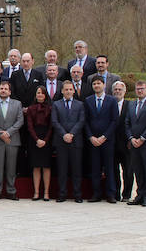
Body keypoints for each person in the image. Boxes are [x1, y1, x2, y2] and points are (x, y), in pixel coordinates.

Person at [0, 81, 24, 200]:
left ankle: (11, 191)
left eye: (5, 89)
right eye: (1, 88)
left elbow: (20, 121)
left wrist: (8, 132)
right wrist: (0, 133)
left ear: (10, 91)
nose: (3, 90)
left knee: (11, 167)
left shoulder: (17, 104)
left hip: (12, 139)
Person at [85, 75, 119, 203]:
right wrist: (91, 137)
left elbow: (114, 120)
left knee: (109, 168)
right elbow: (86, 121)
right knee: (95, 168)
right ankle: (96, 193)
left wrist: (105, 136)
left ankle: (110, 194)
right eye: (94, 84)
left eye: (99, 83)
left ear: (104, 85)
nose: (96, 86)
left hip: (107, 140)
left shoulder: (112, 101)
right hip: (93, 140)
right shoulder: (88, 101)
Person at [125, 81, 146, 207]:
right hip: (134, 143)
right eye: (137, 89)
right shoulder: (132, 104)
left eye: (142, 89)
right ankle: (139, 195)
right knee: (138, 170)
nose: (139, 91)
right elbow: (127, 123)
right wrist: (131, 138)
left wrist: (142, 138)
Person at [51, 81, 86, 203]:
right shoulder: (56, 104)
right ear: (62, 91)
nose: (68, 92)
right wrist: (64, 134)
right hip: (61, 141)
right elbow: (55, 121)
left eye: (70, 89)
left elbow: (81, 121)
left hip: (75, 141)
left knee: (76, 169)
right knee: (62, 169)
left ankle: (77, 194)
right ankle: (62, 193)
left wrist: (71, 134)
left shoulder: (80, 105)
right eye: (66, 90)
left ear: (74, 91)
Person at [25, 86, 53, 201]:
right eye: (38, 93)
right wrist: (37, 139)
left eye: (42, 93)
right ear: (35, 95)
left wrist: (45, 140)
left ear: (45, 95)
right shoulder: (31, 109)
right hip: (34, 139)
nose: (40, 95)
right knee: (36, 166)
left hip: (47, 138)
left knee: (46, 167)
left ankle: (46, 192)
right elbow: (29, 126)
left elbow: (52, 126)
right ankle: (36, 192)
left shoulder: (51, 108)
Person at [111, 81, 133, 201]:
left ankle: (127, 194)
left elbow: (132, 124)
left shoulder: (130, 105)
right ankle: (115, 194)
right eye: (116, 90)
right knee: (114, 171)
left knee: (128, 171)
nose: (117, 92)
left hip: (126, 144)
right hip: (112, 144)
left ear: (124, 92)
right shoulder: (109, 104)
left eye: (120, 90)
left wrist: (131, 139)